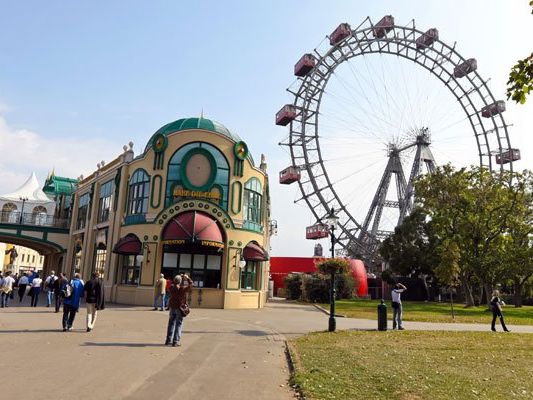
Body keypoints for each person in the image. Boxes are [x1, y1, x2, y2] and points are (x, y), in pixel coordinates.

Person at [165, 274, 193, 347]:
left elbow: (173, 283)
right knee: (178, 324)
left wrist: (178, 278)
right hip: (179, 308)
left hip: (172, 307)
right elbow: (191, 285)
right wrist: (187, 278)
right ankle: (175, 341)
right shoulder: (182, 289)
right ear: (180, 282)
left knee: (171, 324)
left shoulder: (171, 287)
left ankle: (168, 340)